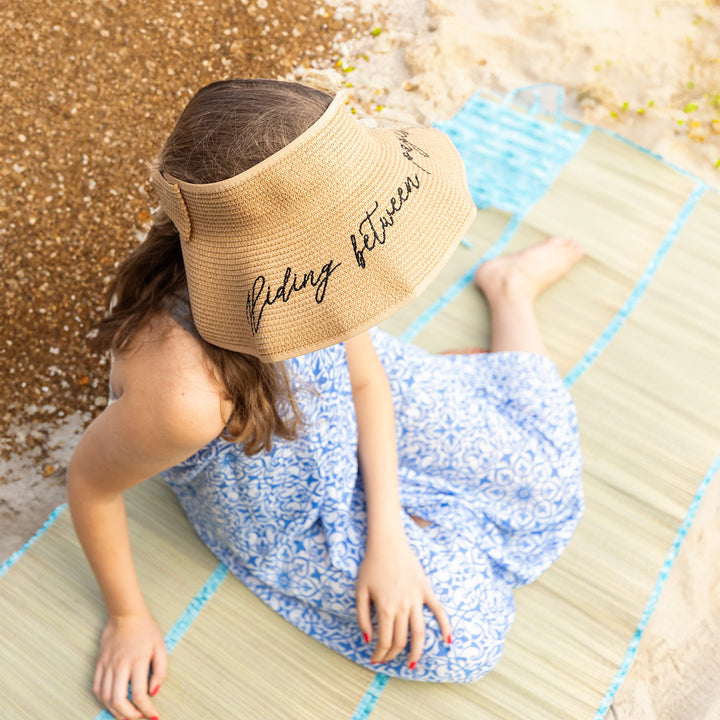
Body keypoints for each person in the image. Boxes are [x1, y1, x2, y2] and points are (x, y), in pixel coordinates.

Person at [68, 78, 584, 720]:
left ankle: (507, 290)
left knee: (548, 482)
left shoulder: (319, 263)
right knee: (466, 633)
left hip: (347, 397)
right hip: (282, 503)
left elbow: (364, 378)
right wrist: (128, 615)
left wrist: (389, 537)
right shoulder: (183, 396)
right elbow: (91, 484)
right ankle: (453, 439)